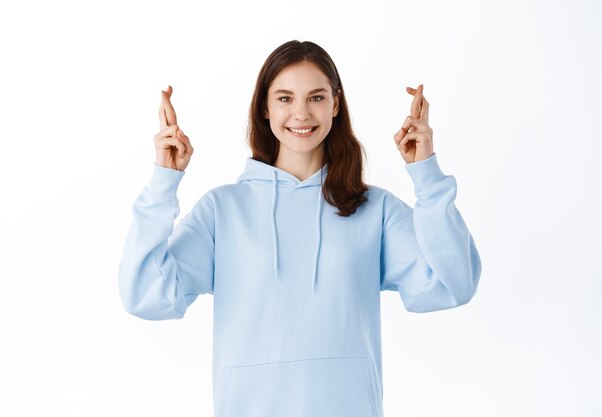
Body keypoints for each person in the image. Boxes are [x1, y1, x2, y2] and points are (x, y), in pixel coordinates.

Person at [118, 40, 482, 417]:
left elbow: (454, 283)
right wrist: (164, 182)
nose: (302, 114)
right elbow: (146, 295)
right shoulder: (222, 210)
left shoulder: (374, 209)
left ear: (335, 104)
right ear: (265, 106)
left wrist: (426, 174)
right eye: (286, 98)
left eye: (317, 97)